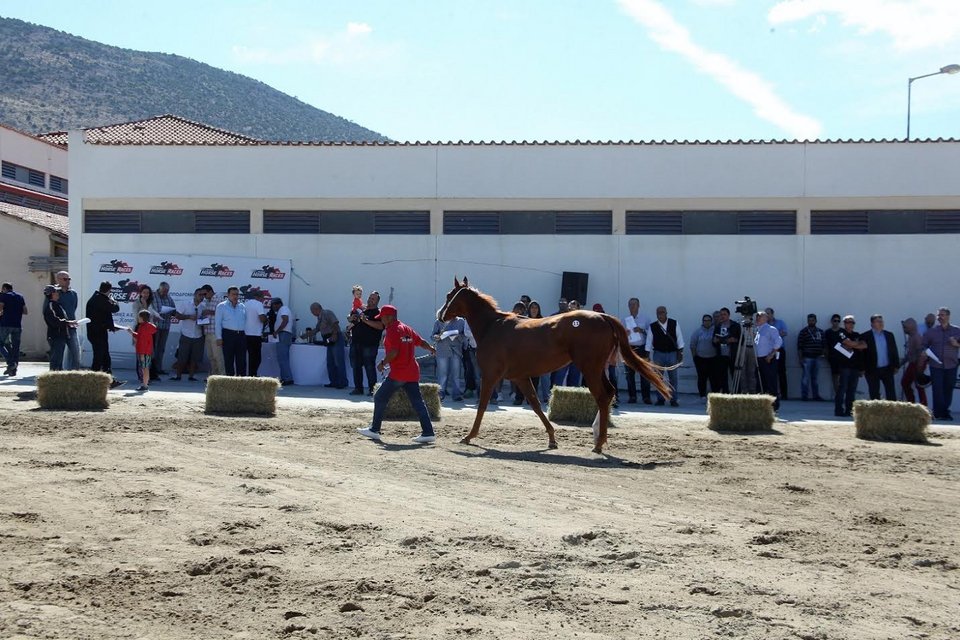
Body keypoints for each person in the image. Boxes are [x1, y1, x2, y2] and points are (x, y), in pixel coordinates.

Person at [357, 304, 438, 444]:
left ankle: (374, 429)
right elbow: (421, 341)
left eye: (382, 317)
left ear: (389, 317)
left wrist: (383, 363)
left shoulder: (392, 330)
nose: (381, 320)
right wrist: (431, 349)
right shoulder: (406, 328)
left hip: (399, 373)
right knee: (418, 402)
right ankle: (428, 432)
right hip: (412, 372)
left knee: (380, 397)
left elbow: (394, 352)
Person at [920, 307, 960, 421]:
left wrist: (956, 344)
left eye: (942, 315)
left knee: (948, 388)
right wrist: (924, 351)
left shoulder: (957, 330)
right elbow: (923, 345)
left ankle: (944, 411)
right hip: (935, 365)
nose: (939, 317)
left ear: (948, 316)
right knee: (937, 389)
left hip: (951, 364)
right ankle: (938, 413)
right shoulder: (931, 332)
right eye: (938, 315)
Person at [85, 281, 124, 388]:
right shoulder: (100, 299)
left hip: (99, 332)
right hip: (96, 333)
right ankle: (93, 380)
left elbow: (102, 315)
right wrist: (114, 301)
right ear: (109, 290)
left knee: (105, 357)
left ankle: (108, 380)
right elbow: (115, 308)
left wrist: (111, 326)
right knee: (99, 357)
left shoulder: (98, 298)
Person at [306, 302, 348, 389]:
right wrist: (305, 335)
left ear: (316, 309)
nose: (312, 313)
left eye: (312, 311)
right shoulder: (319, 318)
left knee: (338, 361)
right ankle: (334, 382)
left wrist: (335, 334)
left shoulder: (327, 313)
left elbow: (335, 323)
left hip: (335, 337)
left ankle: (342, 382)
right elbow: (317, 329)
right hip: (328, 340)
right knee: (330, 362)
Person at [349, 291, 383, 396]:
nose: (370, 300)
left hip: (370, 344)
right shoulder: (361, 309)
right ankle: (358, 389)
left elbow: (381, 326)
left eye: (373, 299)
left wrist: (366, 321)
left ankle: (372, 389)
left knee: (369, 366)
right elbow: (350, 319)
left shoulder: (379, 312)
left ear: (377, 301)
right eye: (369, 298)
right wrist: (351, 318)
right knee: (356, 366)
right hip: (356, 342)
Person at [649, 305, 683, 407]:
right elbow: (649, 341)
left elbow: (679, 338)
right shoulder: (652, 326)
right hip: (658, 354)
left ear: (666, 313)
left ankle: (673, 399)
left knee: (673, 378)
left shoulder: (674, 323)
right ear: (656, 314)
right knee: (658, 378)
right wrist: (647, 354)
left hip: (672, 353)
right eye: (658, 313)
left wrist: (680, 353)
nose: (660, 314)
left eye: (662, 312)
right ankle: (660, 399)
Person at [834, 316, 867, 417]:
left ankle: (849, 410)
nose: (851, 324)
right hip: (844, 366)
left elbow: (864, 345)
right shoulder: (841, 333)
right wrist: (856, 345)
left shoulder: (857, 335)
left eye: (852, 322)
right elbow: (847, 342)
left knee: (852, 390)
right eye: (848, 322)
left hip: (855, 366)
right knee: (842, 388)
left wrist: (852, 345)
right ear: (844, 323)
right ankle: (839, 410)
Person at [862, 314, 900, 401]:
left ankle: (891, 408)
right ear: (872, 324)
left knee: (891, 392)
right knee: (874, 392)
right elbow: (862, 354)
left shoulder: (889, 335)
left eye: (881, 321)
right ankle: (876, 409)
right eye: (878, 321)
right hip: (872, 369)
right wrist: (862, 368)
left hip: (887, 368)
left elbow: (894, 350)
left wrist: (896, 365)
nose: (881, 323)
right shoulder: (865, 336)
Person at [622, 297, 653, 404]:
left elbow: (651, 334)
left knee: (644, 373)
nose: (632, 306)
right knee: (629, 374)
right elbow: (620, 335)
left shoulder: (646, 319)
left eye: (634, 304)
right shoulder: (624, 320)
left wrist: (641, 330)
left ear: (638, 306)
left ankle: (646, 397)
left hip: (642, 348)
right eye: (630, 304)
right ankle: (632, 396)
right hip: (629, 349)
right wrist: (625, 334)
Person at [171, 288, 205, 381]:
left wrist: (203, 321)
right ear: (194, 295)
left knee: (194, 358)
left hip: (198, 335)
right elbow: (177, 315)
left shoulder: (204, 306)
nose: (201, 297)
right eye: (200, 295)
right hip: (186, 334)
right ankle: (178, 376)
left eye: (203, 295)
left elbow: (205, 320)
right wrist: (188, 317)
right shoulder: (186, 304)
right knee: (182, 357)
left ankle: (191, 376)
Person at [432, 314, 466, 402]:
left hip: (456, 351)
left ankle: (456, 394)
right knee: (442, 374)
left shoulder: (461, 321)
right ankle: (440, 394)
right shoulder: (438, 322)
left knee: (456, 374)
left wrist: (458, 336)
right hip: (442, 351)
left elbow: (464, 336)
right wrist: (437, 337)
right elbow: (433, 336)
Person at [131, 284, 162, 381]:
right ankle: (141, 376)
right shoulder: (136, 303)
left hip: (150, 330)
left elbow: (151, 315)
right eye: (144, 292)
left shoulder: (150, 303)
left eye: (148, 293)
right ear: (140, 293)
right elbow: (139, 318)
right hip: (140, 329)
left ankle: (151, 375)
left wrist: (156, 317)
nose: (146, 295)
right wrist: (144, 305)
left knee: (150, 353)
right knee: (141, 353)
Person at [754, 311, 784, 410]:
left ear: (766, 318)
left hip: (768, 359)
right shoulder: (758, 330)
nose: (758, 318)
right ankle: (762, 405)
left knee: (771, 383)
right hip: (759, 359)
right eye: (757, 316)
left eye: (760, 316)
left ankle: (774, 406)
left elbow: (778, 341)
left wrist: (771, 354)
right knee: (761, 383)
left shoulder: (771, 329)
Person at [215, 286, 247, 376]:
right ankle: (230, 379)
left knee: (242, 359)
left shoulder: (242, 306)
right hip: (228, 335)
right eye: (233, 294)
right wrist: (218, 337)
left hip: (241, 335)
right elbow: (218, 323)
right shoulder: (221, 306)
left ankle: (241, 380)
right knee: (228, 359)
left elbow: (245, 321)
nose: (235, 296)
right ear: (228, 295)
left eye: (237, 294)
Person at [42, 284, 74, 370]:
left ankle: (58, 375)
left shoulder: (56, 305)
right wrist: (67, 322)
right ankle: (53, 375)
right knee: (56, 359)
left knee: (59, 360)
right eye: (56, 291)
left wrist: (68, 323)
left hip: (60, 335)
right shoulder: (50, 305)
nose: (58, 293)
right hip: (55, 336)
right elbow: (54, 321)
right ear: (52, 294)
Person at [689, 313, 718, 403]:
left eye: (709, 320)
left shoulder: (715, 331)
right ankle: (702, 395)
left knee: (713, 378)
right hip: (701, 359)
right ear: (702, 322)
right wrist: (695, 357)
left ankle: (714, 395)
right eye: (705, 320)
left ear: (711, 321)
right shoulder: (698, 332)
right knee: (702, 378)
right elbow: (692, 345)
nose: (707, 322)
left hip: (713, 358)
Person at [796, 313, 826, 401]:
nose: (811, 322)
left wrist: (824, 354)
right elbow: (799, 346)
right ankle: (804, 396)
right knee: (805, 377)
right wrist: (800, 359)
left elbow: (824, 344)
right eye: (809, 320)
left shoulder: (820, 332)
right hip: (807, 358)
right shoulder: (803, 332)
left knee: (815, 377)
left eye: (812, 320)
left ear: (816, 321)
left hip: (817, 357)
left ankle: (815, 396)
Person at [55, 271, 81, 370]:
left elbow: (73, 307)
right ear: (58, 280)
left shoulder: (73, 293)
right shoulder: (54, 293)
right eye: (65, 279)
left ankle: (75, 373)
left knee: (76, 352)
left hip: (71, 327)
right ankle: (58, 373)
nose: (68, 281)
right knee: (58, 354)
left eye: (69, 279)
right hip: (59, 328)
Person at [0, 282, 27, 376]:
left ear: (4, 288)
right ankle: (13, 370)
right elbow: (25, 311)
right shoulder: (20, 297)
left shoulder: (4, 296)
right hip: (17, 325)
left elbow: (0, 308)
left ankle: (11, 363)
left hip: (5, 324)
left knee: (0, 344)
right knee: (15, 348)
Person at [150, 281, 177, 376]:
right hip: (155, 326)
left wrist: (172, 311)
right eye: (164, 291)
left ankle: (159, 368)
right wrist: (154, 315)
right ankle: (152, 369)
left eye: (167, 291)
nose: (165, 293)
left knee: (161, 348)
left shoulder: (169, 297)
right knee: (153, 348)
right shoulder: (152, 296)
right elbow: (147, 309)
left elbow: (174, 309)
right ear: (159, 288)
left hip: (165, 326)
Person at [712, 307, 742, 394]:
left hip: (732, 355)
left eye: (724, 314)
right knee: (722, 376)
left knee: (735, 375)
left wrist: (734, 340)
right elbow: (713, 342)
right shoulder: (718, 326)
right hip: (721, 355)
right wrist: (715, 341)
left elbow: (742, 340)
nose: (722, 316)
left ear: (729, 315)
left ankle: (737, 394)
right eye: (721, 314)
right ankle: (725, 393)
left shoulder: (735, 325)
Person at [197, 285, 225, 376]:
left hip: (216, 333)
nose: (204, 296)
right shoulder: (205, 302)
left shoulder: (219, 300)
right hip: (207, 332)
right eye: (202, 294)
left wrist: (210, 312)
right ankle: (214, 375)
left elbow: (224, 314)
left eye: (205, 294)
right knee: (211, 356)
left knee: (218, 356)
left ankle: (222, 376)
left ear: (210, 291)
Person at [900, 318, 928, 406]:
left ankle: (923, 406)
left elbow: (921, 353)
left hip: (917, 364)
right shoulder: (911, 337)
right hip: (913, 363)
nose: (904, 329)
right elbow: (910, 354)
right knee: (905, 382)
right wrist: (901, 363)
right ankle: (911, 404)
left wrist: (919, 367)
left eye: (905, 327)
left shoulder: (917, 337)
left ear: (910, 327)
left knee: (919, 385)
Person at [127, 309, 157, 391]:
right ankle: (144, 384)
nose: (138, 318)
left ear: (142, 318)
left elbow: (144, 342)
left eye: (139, 317)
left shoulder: (145, 327)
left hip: (144, 352)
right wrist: (131, 332)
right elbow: (139, 337)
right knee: (144, 368)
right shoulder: (142, 326)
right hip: (143, 351)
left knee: (145, 369)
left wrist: (142, 354)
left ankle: (145, 385)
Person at [269, 297, 294, 385]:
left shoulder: (283, 309)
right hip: (284, 334)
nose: (273, 307)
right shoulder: (283, 310)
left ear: (278, 304)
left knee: (282, 358)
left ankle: (287, 379)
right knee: (283, 358)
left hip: (283, 334)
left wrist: (277, 331)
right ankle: (286, 377)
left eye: (274, 305)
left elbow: (285, 320)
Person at [765, 307, 789, 399]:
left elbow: (784, 333)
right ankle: (770, 392)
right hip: (768, 351)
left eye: (768, 313)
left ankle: (784, 394)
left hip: (779, 350)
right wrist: (777, 334)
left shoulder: (780, 322)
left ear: (772, 314)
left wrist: (772, 335)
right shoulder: (764, 325)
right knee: (769, 372)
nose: (767, 315)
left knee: (781, 371)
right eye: (765, 313)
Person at [244, 291, 267, 377]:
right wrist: (266, 319)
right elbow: (262, 318)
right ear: (259, 297)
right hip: (255, 334)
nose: (263, 300)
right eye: (263, 298)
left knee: (250, 356)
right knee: (257, 358)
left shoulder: (245, 304)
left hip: (246, 334)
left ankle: (250, 375)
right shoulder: (258, 304)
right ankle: (252, 375)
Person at [824, 314, 844, 399]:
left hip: (842, 358)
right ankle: (838, 395)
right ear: (831, 321)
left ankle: (842, 394)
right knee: (835, 376)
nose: (836, 322)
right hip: (832, 357)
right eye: (835, 321)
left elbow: (846, 342)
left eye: (838, 321)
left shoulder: (842, 332)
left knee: (843, 377)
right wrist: (827, 356)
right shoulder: (828, 332)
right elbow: (825, 345)